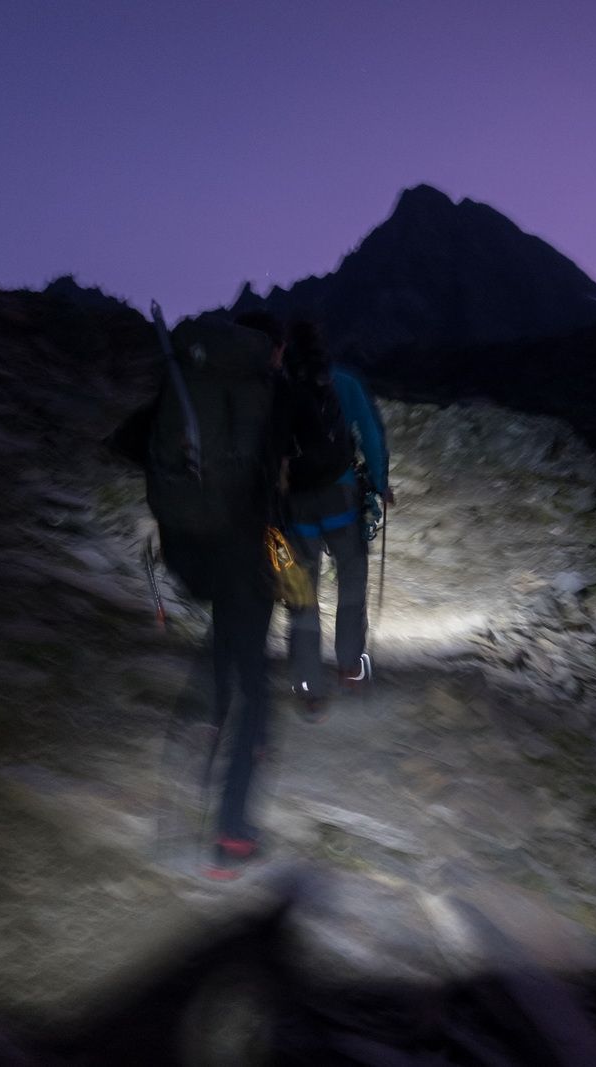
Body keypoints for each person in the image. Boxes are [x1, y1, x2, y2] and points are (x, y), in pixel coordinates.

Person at [131, 308, 291, 880]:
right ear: (270, 348)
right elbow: (285, 489)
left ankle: (195, 763)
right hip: (248, 554)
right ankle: (232, 834)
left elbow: (132, 441)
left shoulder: (193, 379)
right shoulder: (267, 392)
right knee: (255, 688)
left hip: (192, 551)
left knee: (223, 661)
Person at [280, 320, 392, 718]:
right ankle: (350, 668)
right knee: (352, 579)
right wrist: (380, 484)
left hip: (295, 510)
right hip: (341, 500)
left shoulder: (279, 387)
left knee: (301, 594)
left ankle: (309, 686)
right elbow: (372, 438)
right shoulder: (343, 382)